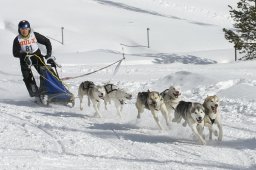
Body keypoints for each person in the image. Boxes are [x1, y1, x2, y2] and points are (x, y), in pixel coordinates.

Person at [12, 20, 57, 97]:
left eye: (26, 29)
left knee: (45, 73)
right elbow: (15, 53)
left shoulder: (34, 35)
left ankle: (50, 89)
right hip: (24, 59)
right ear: (19, 30)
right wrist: (24, 56)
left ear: (29, 29)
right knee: (27, 78)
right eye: (22, 29)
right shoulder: (17, 39)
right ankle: (36, 94)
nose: (24, 31)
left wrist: (48, 54)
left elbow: (47, 42)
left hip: (36, 56)